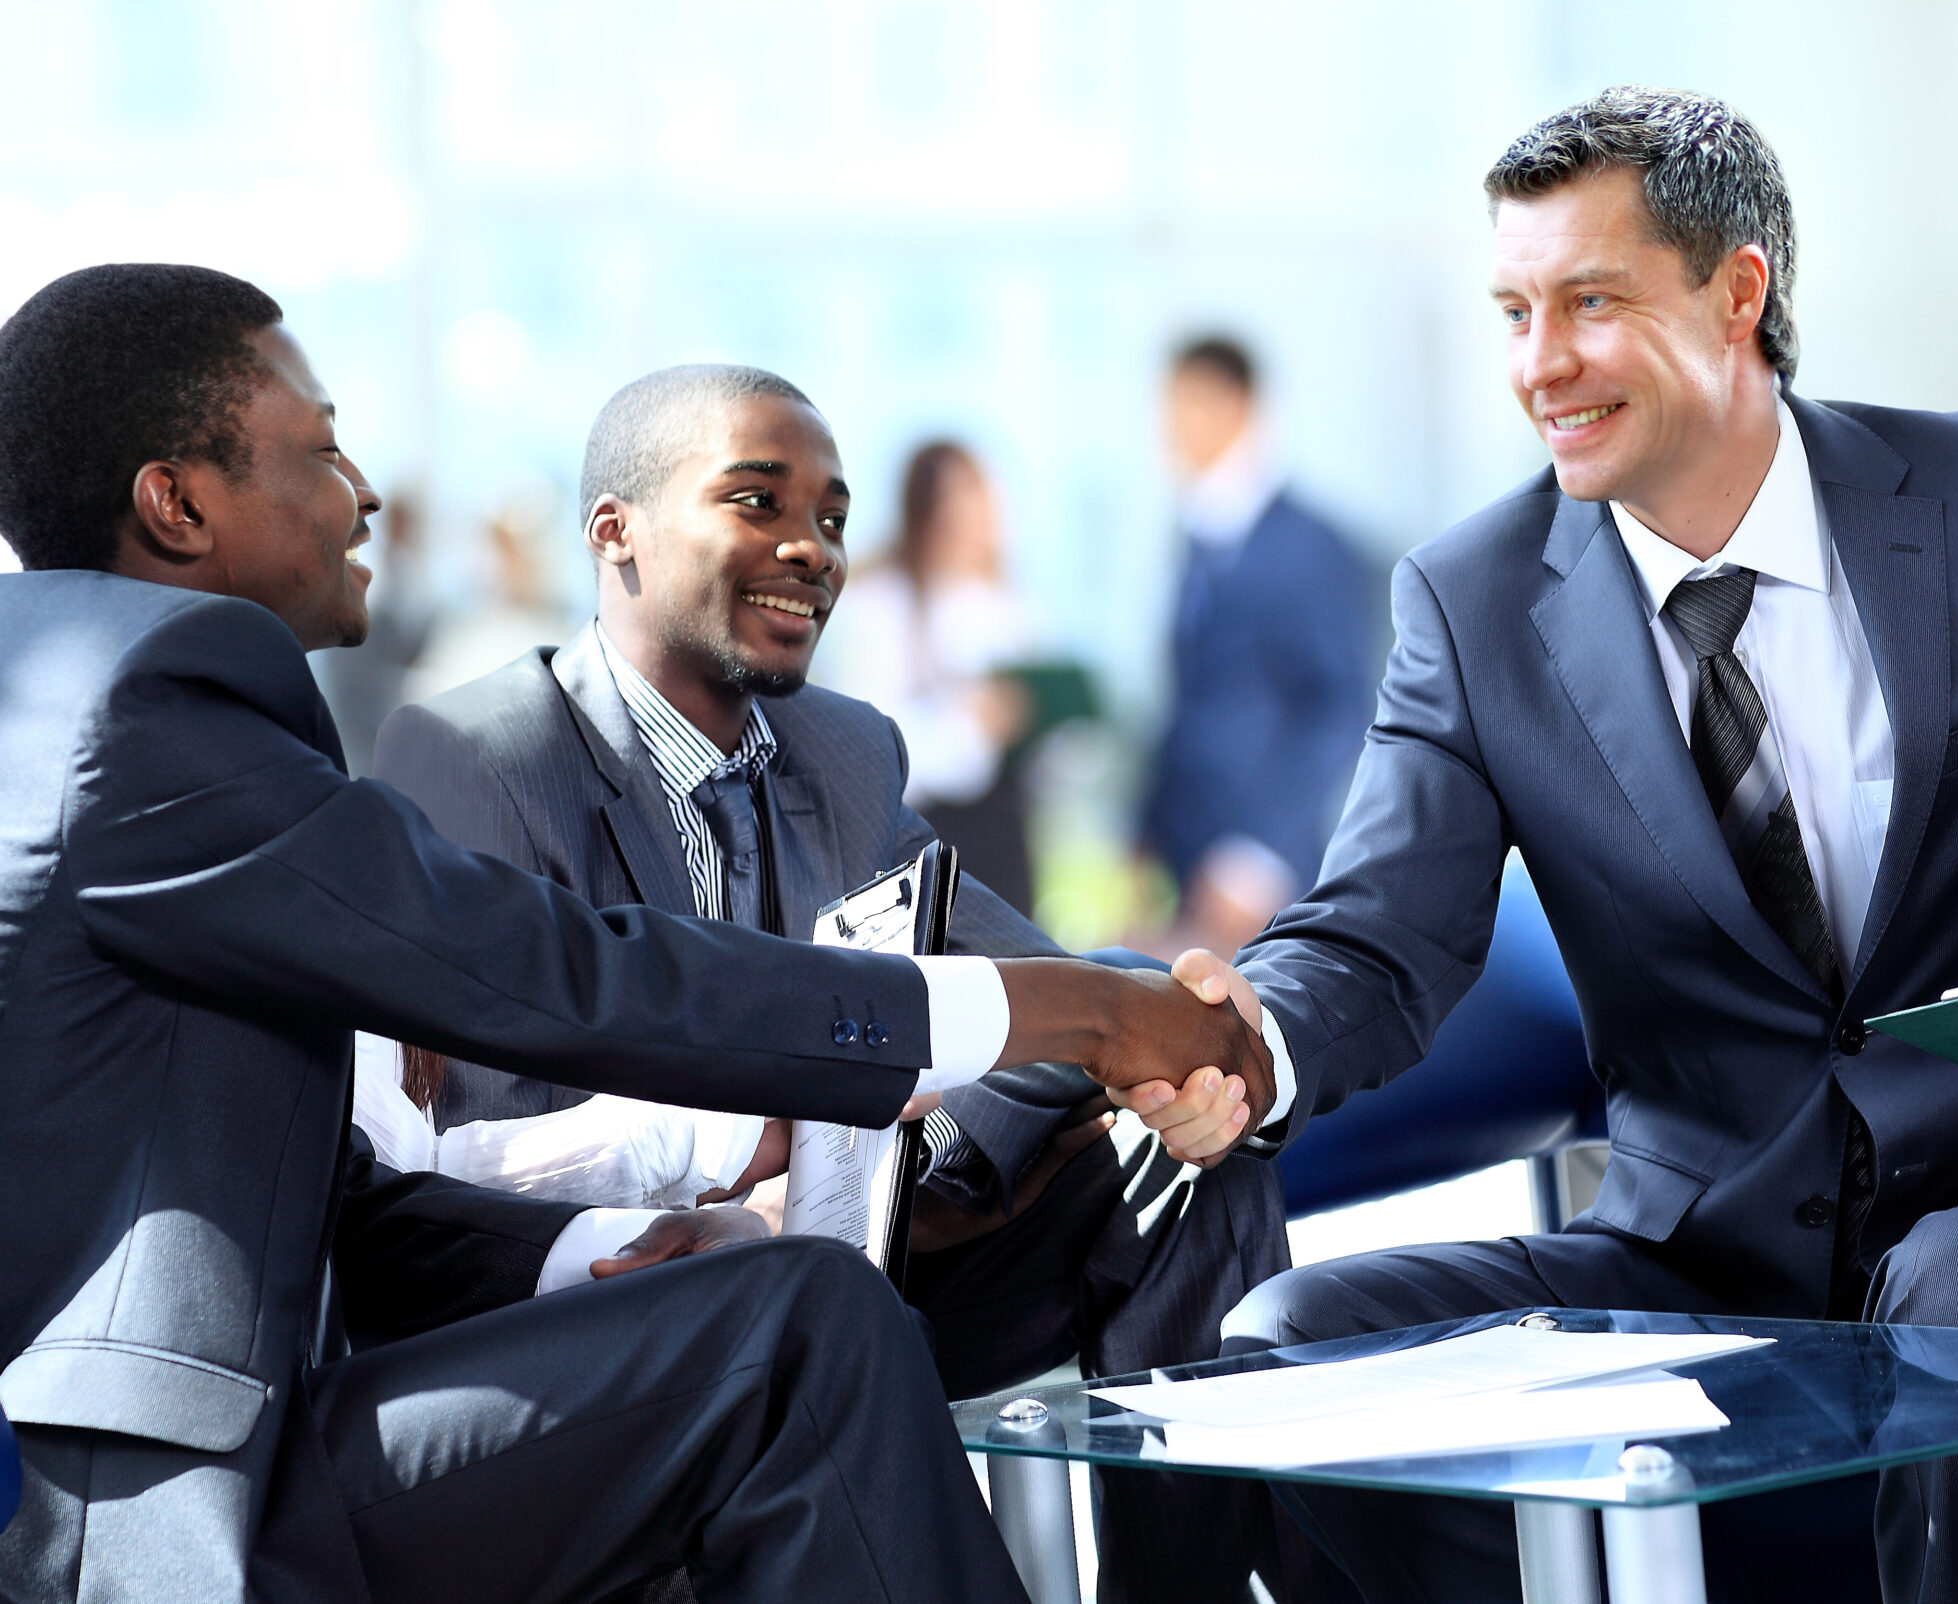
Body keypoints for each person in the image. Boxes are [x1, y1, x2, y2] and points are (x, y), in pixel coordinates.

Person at [0, 263, 1273, 1604]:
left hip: (291, 1430)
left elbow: (346, 1209)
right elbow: (555, 972)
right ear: (179, 502)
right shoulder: (143, 708)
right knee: (797, 1333)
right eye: (319, 448)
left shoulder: (102, 700)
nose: (363, 490)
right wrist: (1073, 1013)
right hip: (182, 1517)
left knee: (795, 1302)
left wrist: (608, 1248)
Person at [1169, 86, 1958, 1604]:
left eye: (1589, 301)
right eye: (1514, 310)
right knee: (1285, 1349)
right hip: (1685, 1266)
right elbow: (1379, 932)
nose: (1538, 363)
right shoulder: (1473, 599)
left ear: (1738, 290)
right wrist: (1249, 1042)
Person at [371, 368, 1294, 1603]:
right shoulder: (479, 754)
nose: (808, 547)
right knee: (811, 1307)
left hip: (860, 1246)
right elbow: (488, 1155)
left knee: (1198, 1167)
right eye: (755, 501)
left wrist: (941, 1162)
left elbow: (1031, 987)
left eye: (833, 517)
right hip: (645, 1296)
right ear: (615, 532)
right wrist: (760, 1190)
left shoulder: (844, 750)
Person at [1139, 335, 1381, 959]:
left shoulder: (1308, 544)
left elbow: (1337, 708)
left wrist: (1258, 855)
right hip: (1185, 861)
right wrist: (1143, 837)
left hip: (1257, 872)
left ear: (1238, 404)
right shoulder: (1196, 533)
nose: (1173, 426)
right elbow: (1190, 704)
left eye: (1189, 403)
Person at [812, 439, 1039, 915]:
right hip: (921, 844)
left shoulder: (1006, 608)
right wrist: (971, 728)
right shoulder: (880, 604)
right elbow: (870, 742)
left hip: (1003, 845)